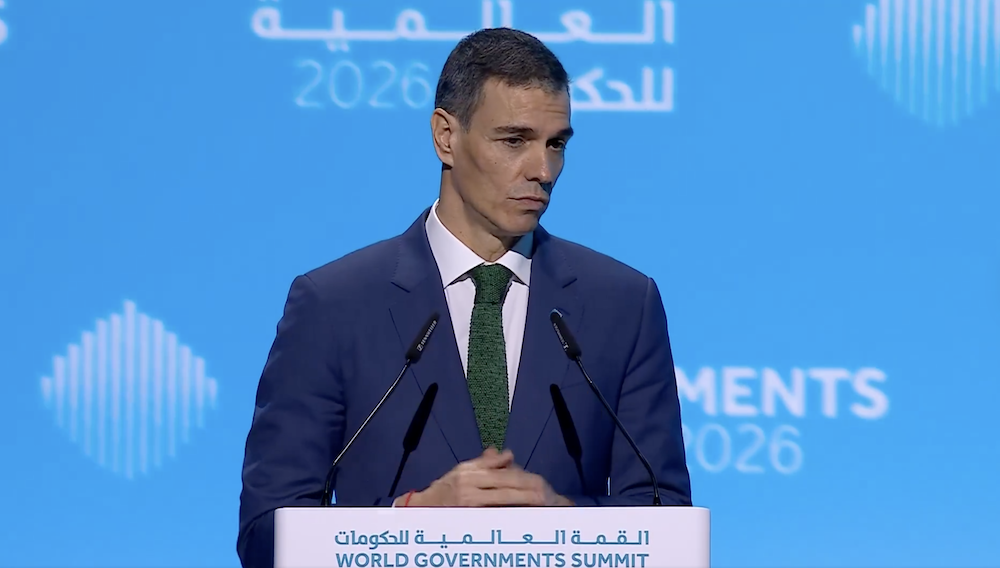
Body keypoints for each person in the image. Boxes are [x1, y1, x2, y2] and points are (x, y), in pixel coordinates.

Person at [237, 27, 691, 568]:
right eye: (514, 140)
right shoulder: (333, 304)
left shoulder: (624, 304)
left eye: (556, 145)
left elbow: (667, 522)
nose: (542, 171)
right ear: (445, 137)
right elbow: (266, 535)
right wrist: (411, 517)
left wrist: (566, 521)